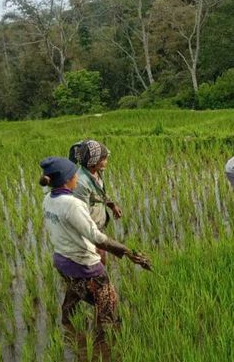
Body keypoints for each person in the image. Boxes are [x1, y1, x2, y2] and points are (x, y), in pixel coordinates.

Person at [39, 156, 151, 331]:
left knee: (75, 290)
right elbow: (96, 237)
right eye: (75, 175)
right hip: (83, 263)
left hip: (62, 261)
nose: (77, 177)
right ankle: (104, 344)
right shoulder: (72, 205)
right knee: (108, 300)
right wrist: (128, 252)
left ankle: (68, 326)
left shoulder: (48, 199)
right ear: (67, 180)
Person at [69, 140, 122, 264]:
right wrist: (95, 240)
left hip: (97, 226)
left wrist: (112, 205)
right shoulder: (81, 183)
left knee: (101, 260)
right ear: (93, 162)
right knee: (97, 263)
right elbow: (81, 217)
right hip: (89, 232)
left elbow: (100, 193)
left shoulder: (97, 171)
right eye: (103, 159)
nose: (106, 161)